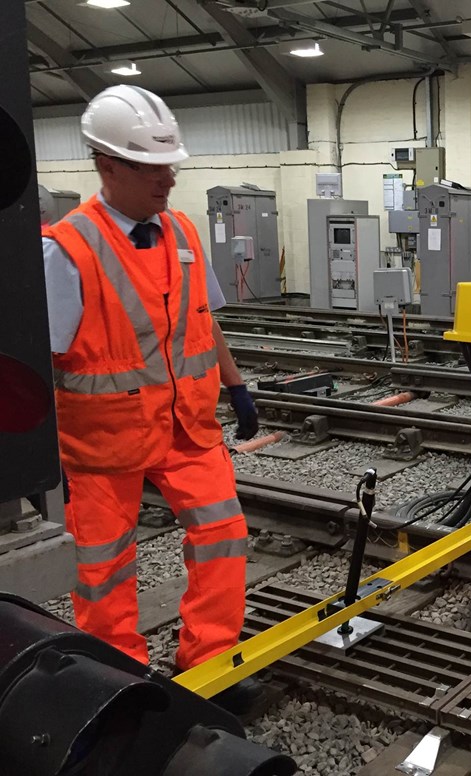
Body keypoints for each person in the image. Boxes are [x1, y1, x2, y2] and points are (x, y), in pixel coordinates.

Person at [41, 85, 261, 711]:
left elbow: (203, 320)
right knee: (106, 564)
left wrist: (237, 385)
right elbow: (42, 358)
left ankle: (210, 662)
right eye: (150, 167)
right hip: (105, 441)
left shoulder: (184, 231)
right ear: (106, 165)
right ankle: (118, 677)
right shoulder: (67, 250)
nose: (167, 180)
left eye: (171, 165)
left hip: (188, 428)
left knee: (224, 535)